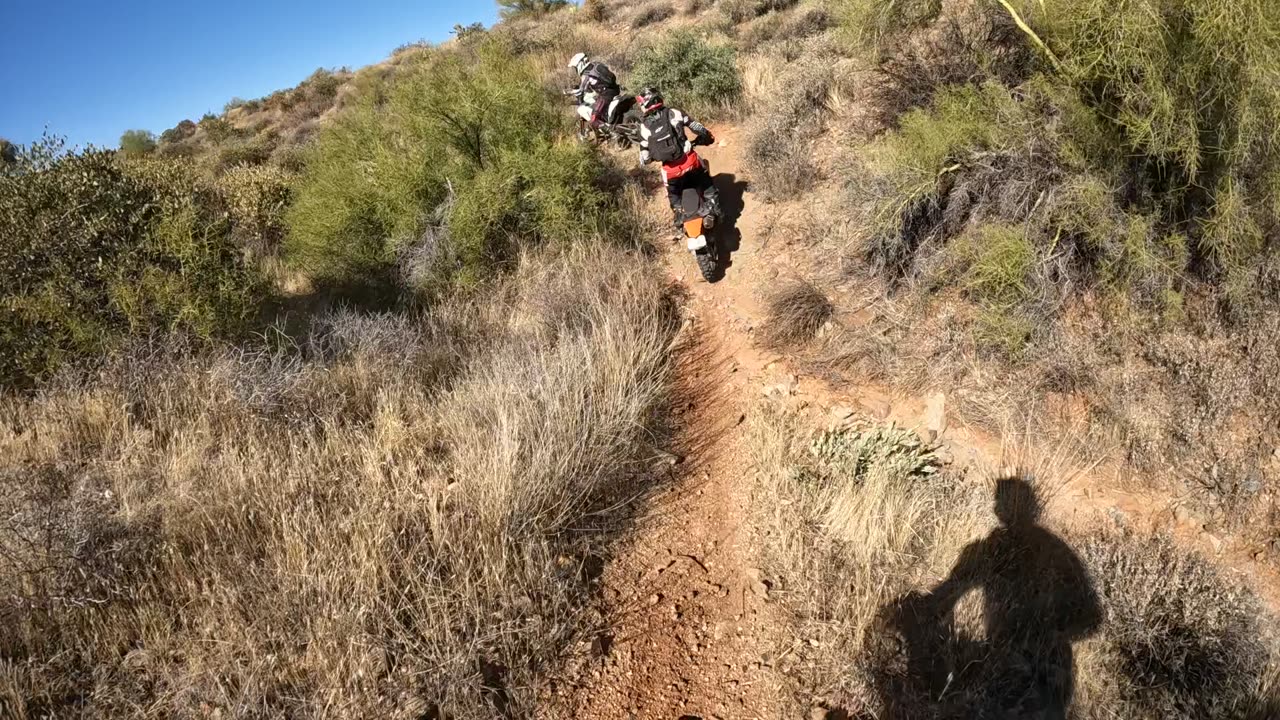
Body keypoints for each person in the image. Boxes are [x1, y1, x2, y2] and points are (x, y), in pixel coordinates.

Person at [636, 87, 718, 229]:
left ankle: (679, 216)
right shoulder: (674, 112)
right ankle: (711, 210)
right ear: (658, 98)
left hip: (670, 171)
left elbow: (645, 158)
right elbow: (696, 127)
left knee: (674, 197)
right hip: (689, 161)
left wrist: (654, 157)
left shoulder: (643, 127)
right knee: (706, 182)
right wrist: (707, 136)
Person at [567, 52, 621, 129]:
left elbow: (581, 90)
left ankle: (611, 132)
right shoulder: (596, 65)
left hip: (605, 96)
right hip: (615, 90)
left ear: (580, 64)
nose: (576, 70)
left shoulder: (587, 74)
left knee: (593, 119)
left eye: (575, 67)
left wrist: (569, 92)